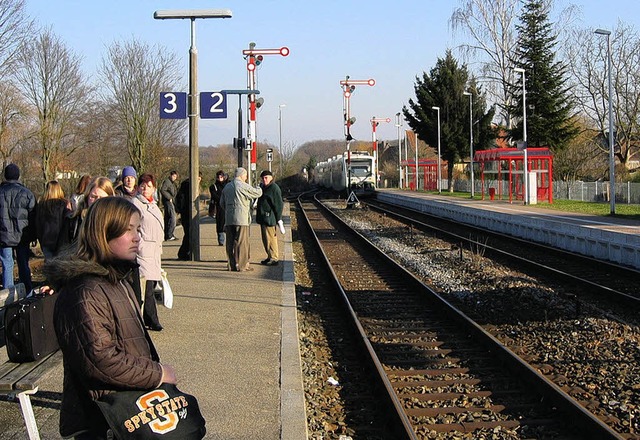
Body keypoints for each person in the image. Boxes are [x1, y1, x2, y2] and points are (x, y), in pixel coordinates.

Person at [45, 197, 177, 439]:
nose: (137, 237)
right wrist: (157, 373)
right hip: (102, 418)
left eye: (138, 229)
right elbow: (99, 360)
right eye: (128, 230)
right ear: (102, 233)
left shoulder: (115, 278)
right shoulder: (84, 292)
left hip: (125, 409)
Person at [131, 173, 164, 331]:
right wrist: (141, 245)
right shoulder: (136, 204)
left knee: (150, 285)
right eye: (142, 186)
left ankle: (149, 318)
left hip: (154, 251)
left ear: (154, 188)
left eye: (149, 186)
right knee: (146, 288)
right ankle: (151, 319)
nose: (145, 189)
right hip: (144, 251)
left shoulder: (154, 205)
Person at [0, 164, 36, 291]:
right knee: (23, 264)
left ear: (5, 175)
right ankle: (27, 291)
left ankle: (7, 294)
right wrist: (33, 235)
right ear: (18, 175)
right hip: (22, 236)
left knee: (7, 264)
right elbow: (32, 217)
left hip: (4, 235)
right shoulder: (27, 193)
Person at [219, 167, 262, 272]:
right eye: (246, 175)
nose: (246, 177)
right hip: (242, 219)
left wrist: (229, 211)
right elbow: (257, 193)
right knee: (242, 242)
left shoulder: (227, 187)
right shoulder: (243, 186)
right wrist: (259, 187)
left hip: (229, 219)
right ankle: (243, 266)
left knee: (229, 243)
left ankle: (231, 265)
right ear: (242, 175)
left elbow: (221, 203)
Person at [69, 177, 115, 242]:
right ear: (87, 197)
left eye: (102, 198)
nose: (97, 201)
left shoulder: (117, 221)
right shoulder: (75, 220)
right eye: (93, 197)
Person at [36, 180, 72, 261]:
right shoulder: (64, 204)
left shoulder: (41, 206)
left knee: (49, 266)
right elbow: (69, 222)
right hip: (62, 241)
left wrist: (41, 241)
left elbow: (38, 225)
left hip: (46, 240)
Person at [256, 170, 284, 266]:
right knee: (265, 239)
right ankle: (269, 256)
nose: (264, 180)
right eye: (263, 178)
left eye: (266, 178)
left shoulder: (274, 188)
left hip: (269, 218)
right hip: (263, 217)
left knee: (271, 238)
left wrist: (278, 218)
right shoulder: (262, 187)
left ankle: (274, 257)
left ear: (271, 178)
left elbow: (278, 204)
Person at [176, 172, 202, 261]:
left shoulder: (185, 185)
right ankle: (183, 253)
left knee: (188, 233)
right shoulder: (189, 186)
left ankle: (185, 252)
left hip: (185, 212)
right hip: (187, 212)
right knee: (189, 233)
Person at [209, 170, 228, 246]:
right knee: (220, 223)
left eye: (221, 177)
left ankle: (228, 239)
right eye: (218, 177)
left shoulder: (228, 185)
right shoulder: (214, 186)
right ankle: (221, 240)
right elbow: (214, 196)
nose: (220, 178)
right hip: (219, 207)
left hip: (227, 206)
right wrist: (222, 199)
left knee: (228, 223)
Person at [160, 170, 178, 241]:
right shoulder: (167, 182)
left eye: (175, 177)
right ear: (170, 175)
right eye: (174, 176)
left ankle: (167, 234)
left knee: (167, 218)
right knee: (173, 218)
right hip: (168, 202)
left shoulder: (172, 183)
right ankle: (169, 235)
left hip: (169, 201)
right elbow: (162, 190)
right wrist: (169, 197)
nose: (174, 178)